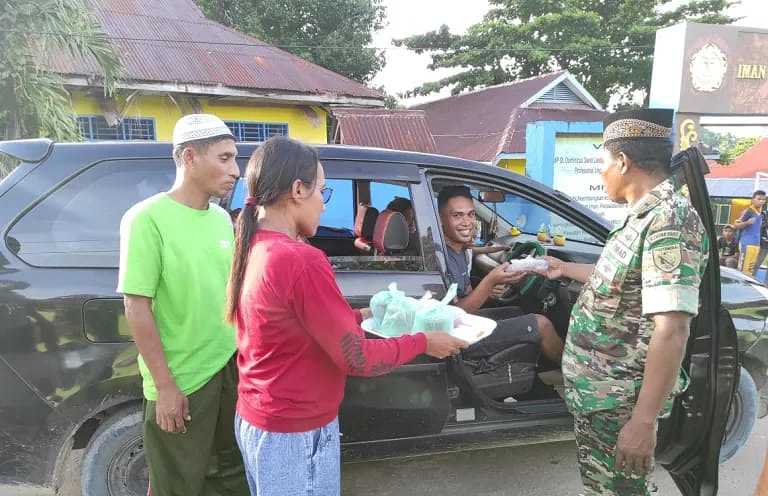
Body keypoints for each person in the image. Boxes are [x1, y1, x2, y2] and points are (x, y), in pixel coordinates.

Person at [226, 136, 468, 496]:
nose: (323, 207)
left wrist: (368, 312)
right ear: (297, 190)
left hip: (261, 419)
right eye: (322, 193)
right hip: (294, 432)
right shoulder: (300, 259)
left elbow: (294, 326)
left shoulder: (255, 245)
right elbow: (357, 358)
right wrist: (424, 341)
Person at [536, 108, 709, 495]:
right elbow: (622, 281)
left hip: (621, 404)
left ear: (623, 161)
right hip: (601, 398)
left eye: (603, 163)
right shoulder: (640, 218)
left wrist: (643, 421)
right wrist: (563, 269)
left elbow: (672, 327)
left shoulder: (669, 220)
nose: (602, 175)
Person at [117, 114, 249, 496]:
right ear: (189, 157)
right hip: (185, 381)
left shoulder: (223, 219)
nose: (235, 171)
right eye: (224, 159)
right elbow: (136, 306)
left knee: (230, 476)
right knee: (177, 483)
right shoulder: (146, 219)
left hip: (229, 369)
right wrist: (166, 387)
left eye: (235, 159)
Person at [438, 185, 564, 364]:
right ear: (440, 219)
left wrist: (488, 293)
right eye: (457, 215)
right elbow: (452, 316)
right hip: (454, 338)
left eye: (471, 214)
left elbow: (465, 295)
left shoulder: (461, 250)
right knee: (541, 324)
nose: (467, 222)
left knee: (517, 312)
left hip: (463, 324)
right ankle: (575, 380)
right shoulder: (441, 258)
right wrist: (489, 282)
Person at [734, 190, 766, 276]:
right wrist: (747, 223)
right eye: (759, 199)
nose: (761, 201)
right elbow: (736, 225)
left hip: (755, 244)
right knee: (743, 269)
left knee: (750, 269)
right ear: (753, 200)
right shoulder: (749, 211)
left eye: (763, 199)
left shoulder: (760, 212)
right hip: (746, 243)